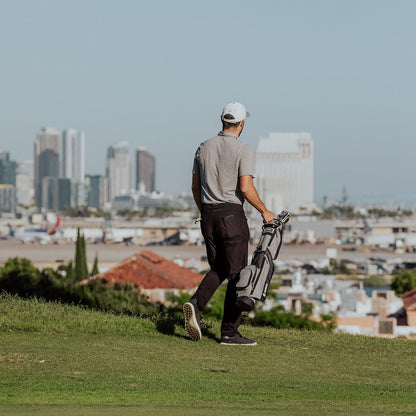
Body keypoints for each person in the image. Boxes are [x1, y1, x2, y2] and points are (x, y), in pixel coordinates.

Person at [183, 102, 274, 345]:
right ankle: (229, 332)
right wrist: (265, 211)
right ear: (242, 124)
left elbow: (194, 187)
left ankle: (196, 303)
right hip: (231, 215)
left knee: (221, 268)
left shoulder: (203, 147)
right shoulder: (243, 150)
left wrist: (205, 212)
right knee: (237, 275)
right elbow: (245, 187)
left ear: (222, 120)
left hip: (208, 215)